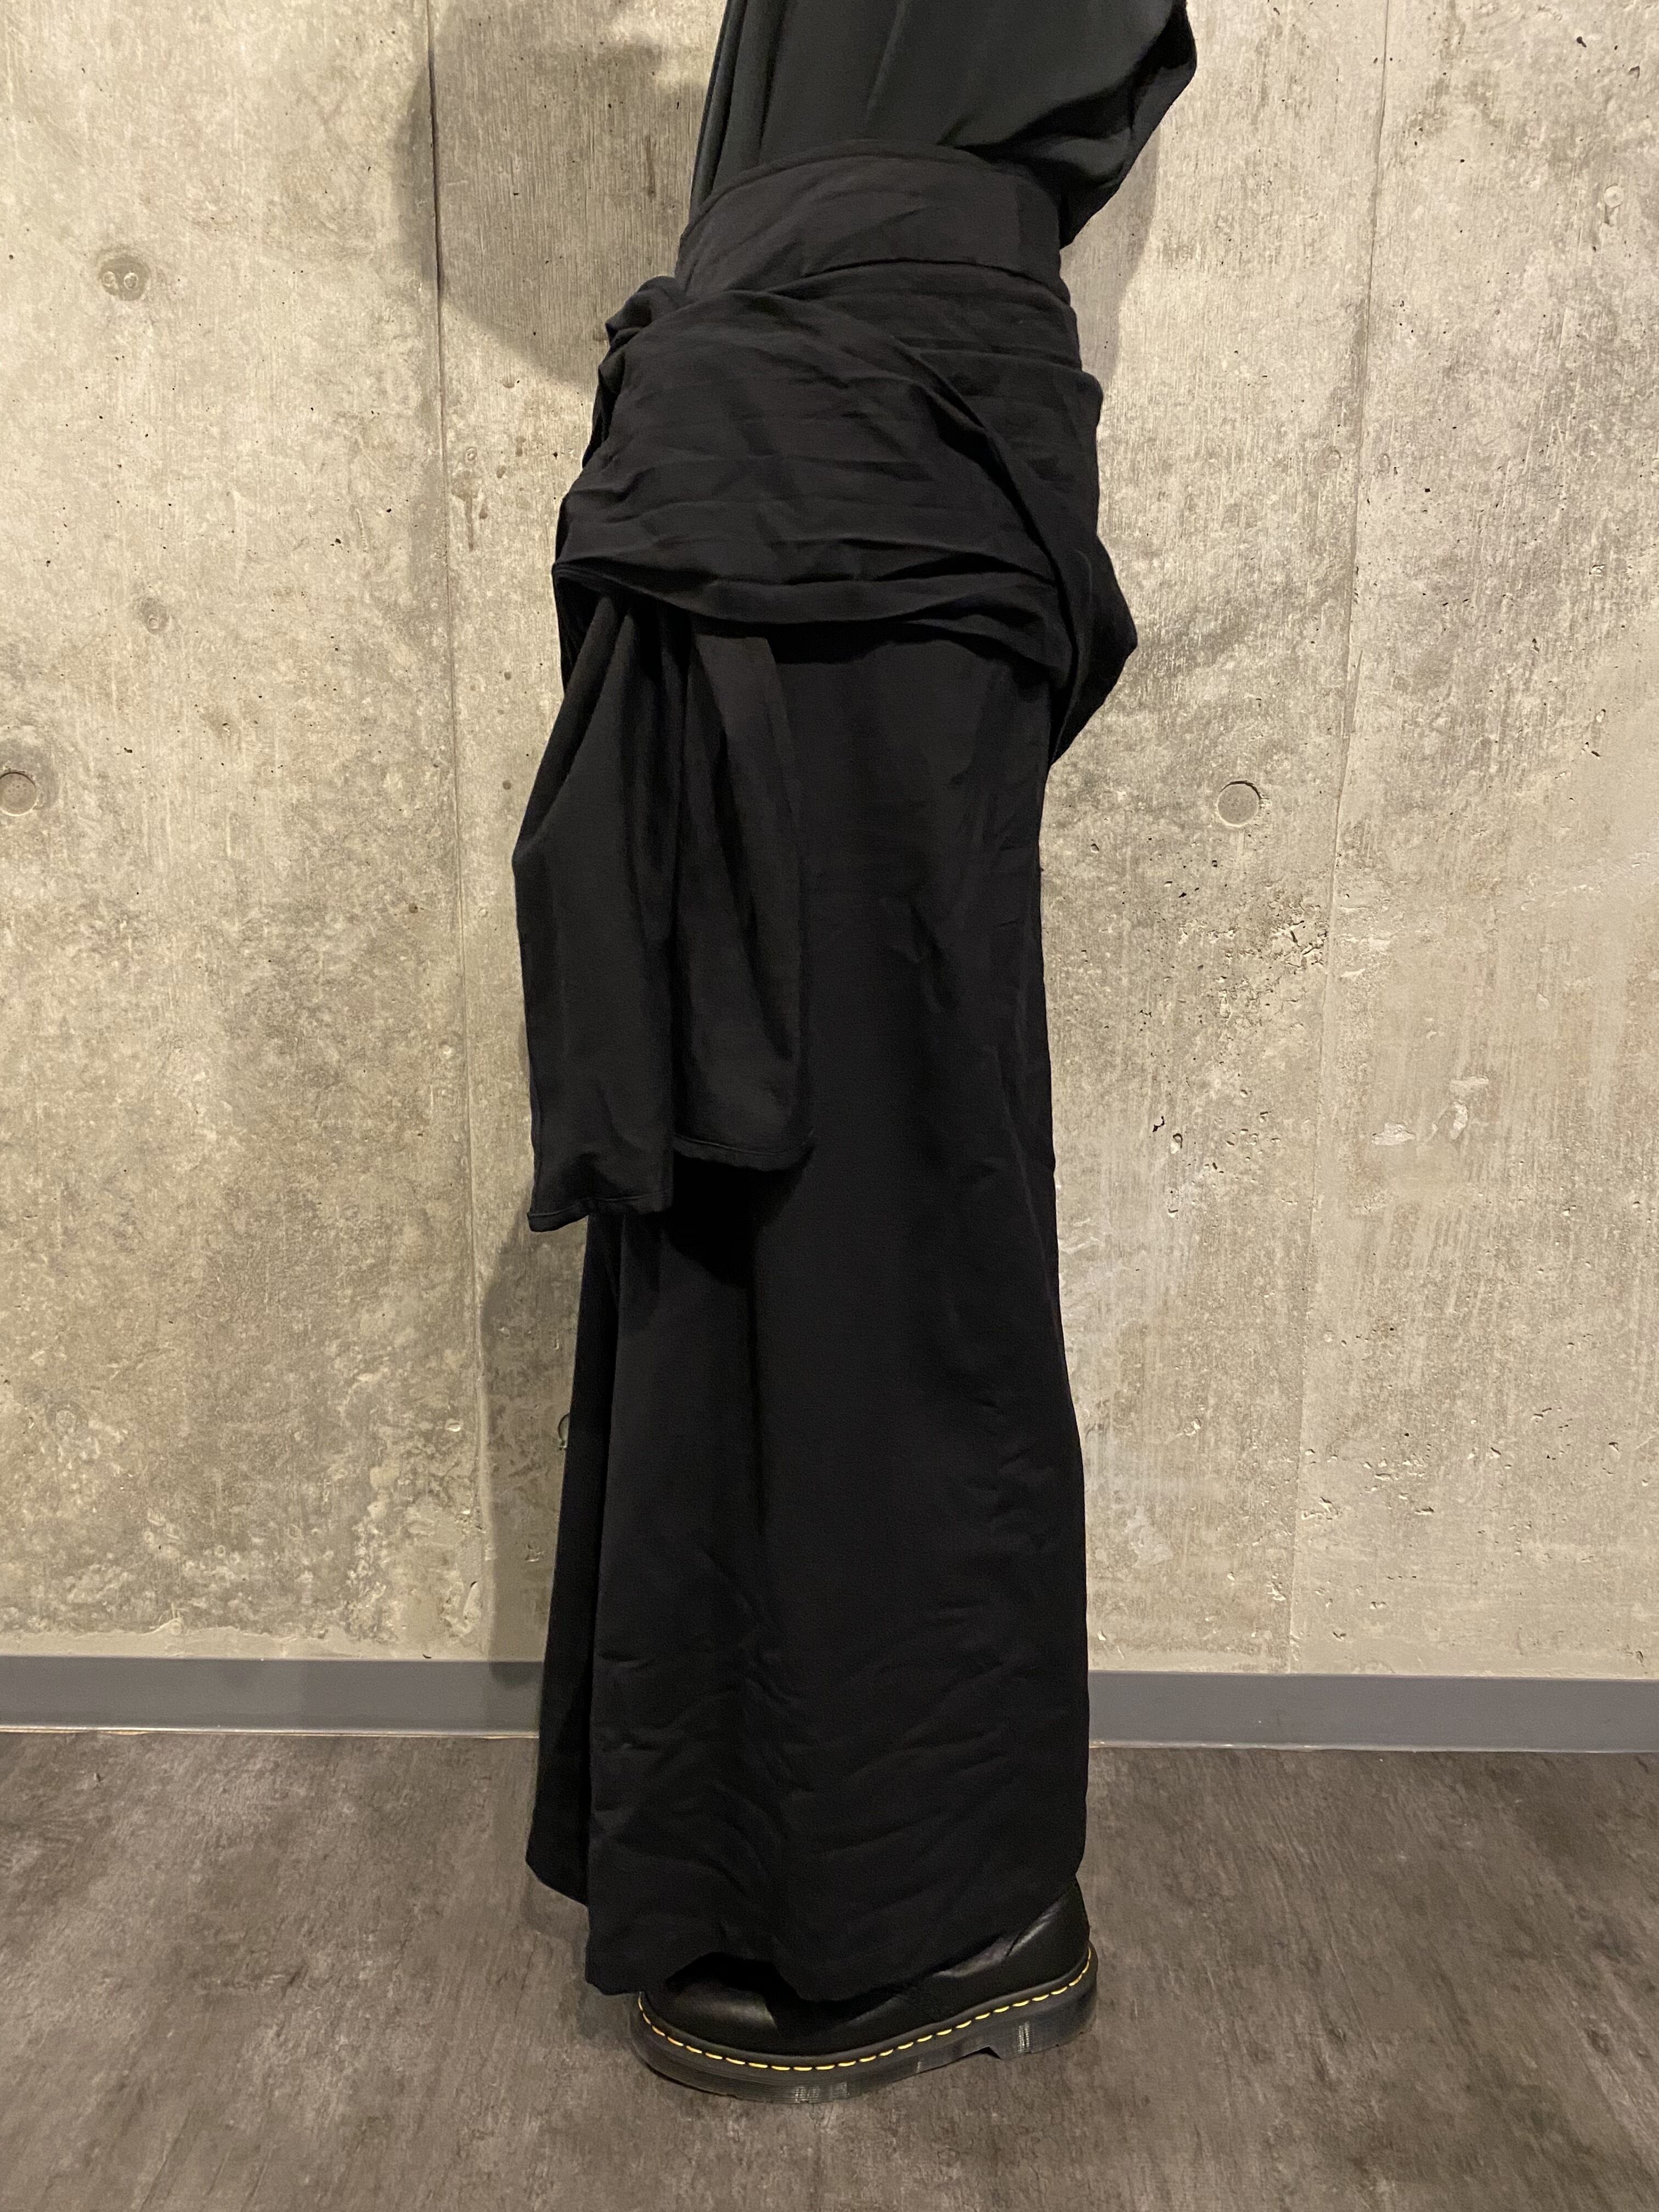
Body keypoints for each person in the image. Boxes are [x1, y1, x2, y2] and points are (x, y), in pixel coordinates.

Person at [511, 0, 1197, 2101]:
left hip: (867, 434)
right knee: (740, 1197)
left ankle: (954, 1904)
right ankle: (766, 1860)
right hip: (780, 431)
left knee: (878, 1203)